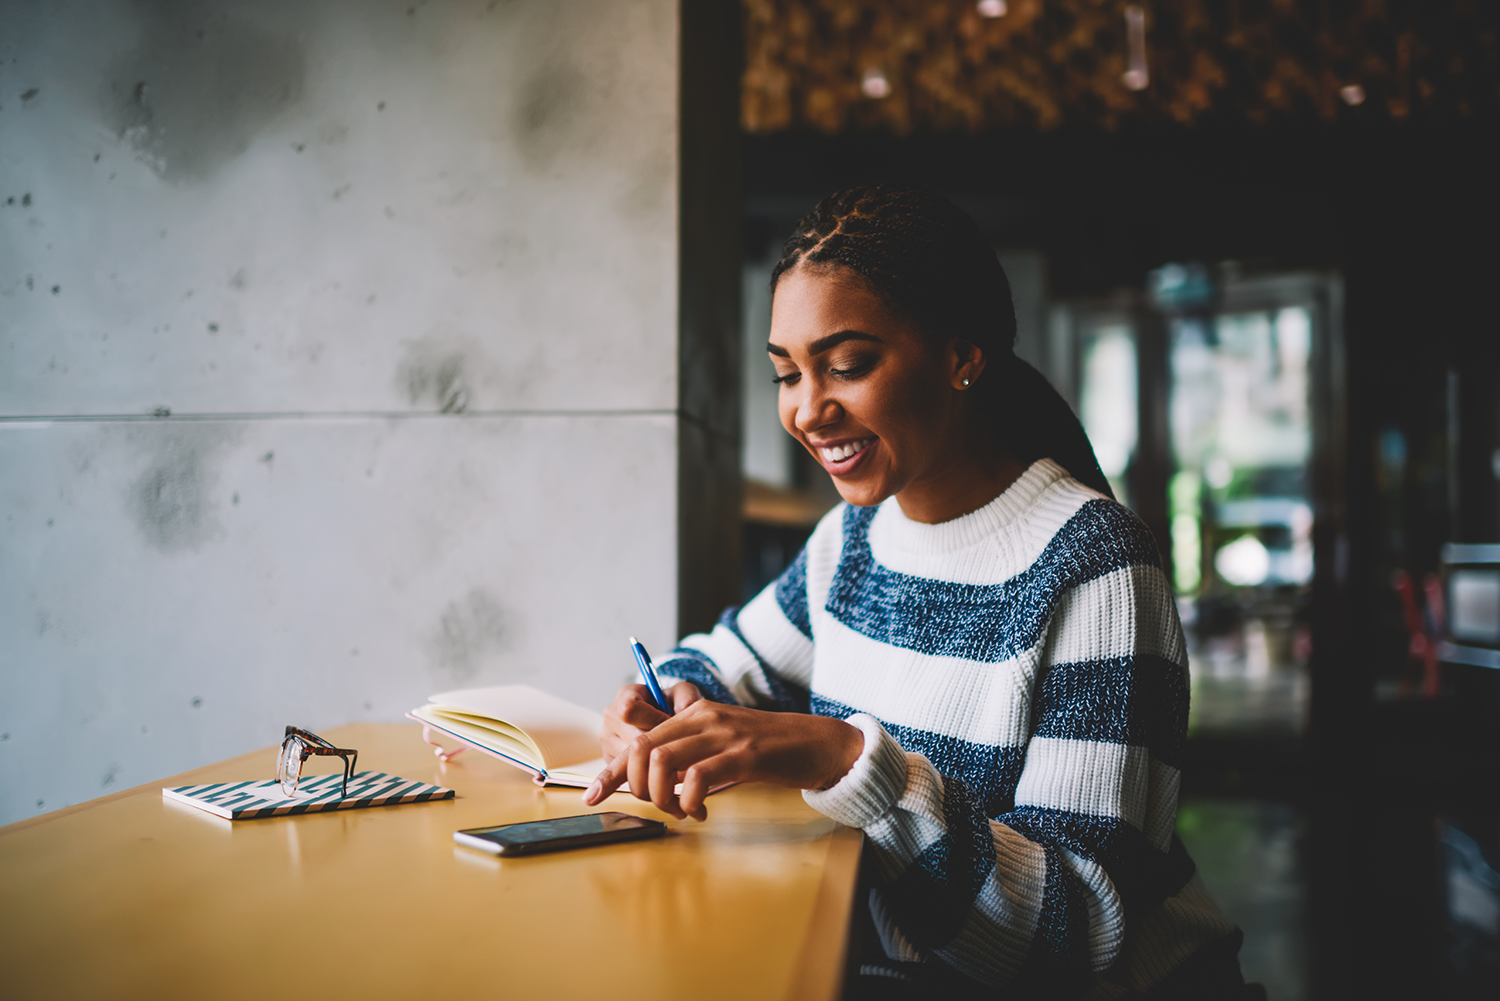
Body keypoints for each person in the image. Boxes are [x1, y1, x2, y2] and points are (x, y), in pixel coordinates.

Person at [583, 183, 1249, 999]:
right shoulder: (855, 538)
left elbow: (1075, 935)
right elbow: (728, 662)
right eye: (787, 373)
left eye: (849, 365)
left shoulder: (1096, 564)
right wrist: (665, 699)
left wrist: (845, 758)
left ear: (962, 355)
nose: (808, 410)